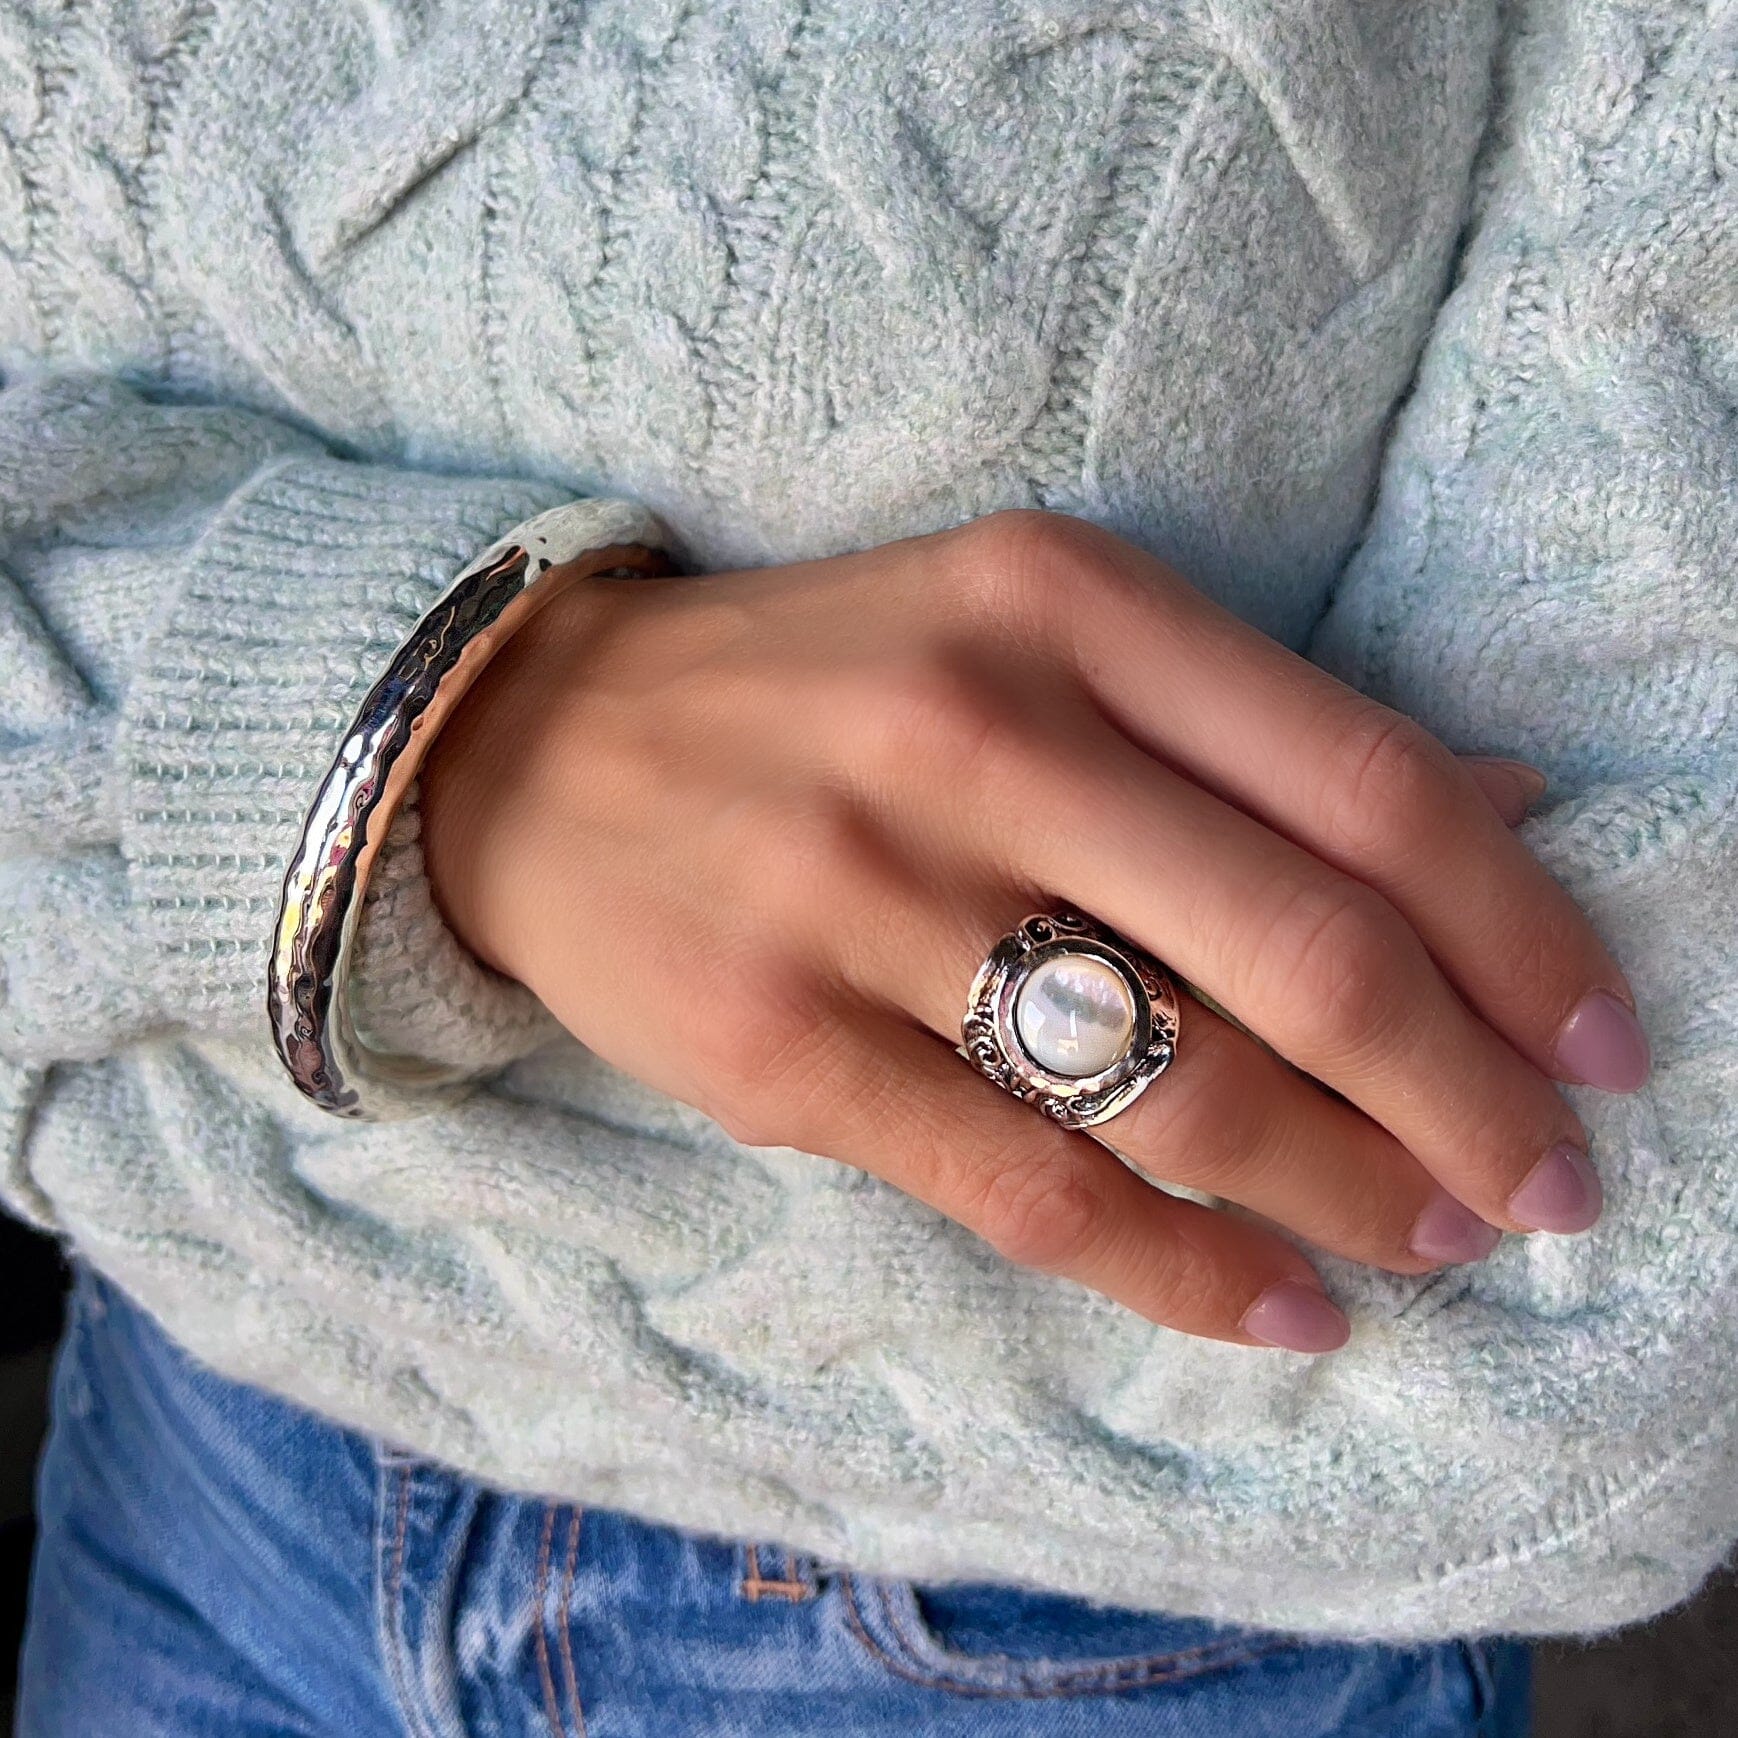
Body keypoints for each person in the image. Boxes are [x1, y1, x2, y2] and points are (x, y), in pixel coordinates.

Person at [0, 0, 1730, 1732]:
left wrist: (136, 867)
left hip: (1085, 1647)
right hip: (198, 1447)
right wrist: (440, 744)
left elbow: (1619, 1278)